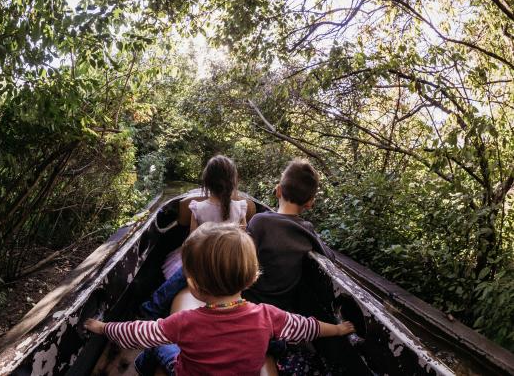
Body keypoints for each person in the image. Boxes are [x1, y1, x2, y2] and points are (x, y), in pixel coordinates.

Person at [84, 223, 355, 376]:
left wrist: (103, 328)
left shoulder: (184, 322)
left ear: (195, 287)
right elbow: (307, 327)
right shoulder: (268, 315)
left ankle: (143, 369)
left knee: (156, 346)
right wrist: (339, 329)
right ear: (250, 280)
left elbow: (139, 333)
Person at [243, 158, 333, 312]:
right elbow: (330, 258)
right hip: (284, 310)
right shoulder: (306, 229)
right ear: (310, 203)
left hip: (252, 303)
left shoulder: (259, 221)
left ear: (278, 191)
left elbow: (241, 259)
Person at [161, 154, 247, 280]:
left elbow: (192, 241)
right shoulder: (241, 207)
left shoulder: (197, 208)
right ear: (233, 182)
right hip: (229, 259)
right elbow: (242, 238)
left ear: (206, 182)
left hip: (204, 260)